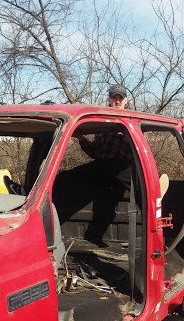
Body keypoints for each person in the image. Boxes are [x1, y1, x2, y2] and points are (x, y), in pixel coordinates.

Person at [53, 84, 135, 247]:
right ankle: (30, 190)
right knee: (66, 177)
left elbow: (140, 150)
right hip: (102, 166)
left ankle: (159, 223)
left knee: (145, 192)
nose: (117, 101)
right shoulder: (101, 122)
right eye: (114, 98)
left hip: (123, 166)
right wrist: (82, 139)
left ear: (126, 100)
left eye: (120, 98)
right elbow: (95, 152)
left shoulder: (132, 120)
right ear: (109, 100)